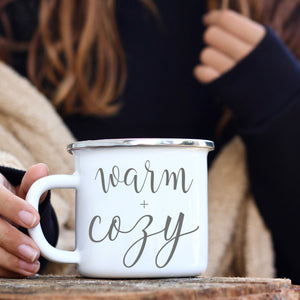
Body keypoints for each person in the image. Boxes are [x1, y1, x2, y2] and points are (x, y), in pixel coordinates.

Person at [0, 0, 299, 284]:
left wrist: (285, 108)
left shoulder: (288, 16)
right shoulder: (25, 18)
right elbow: (22, 149)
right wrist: (23, 219)